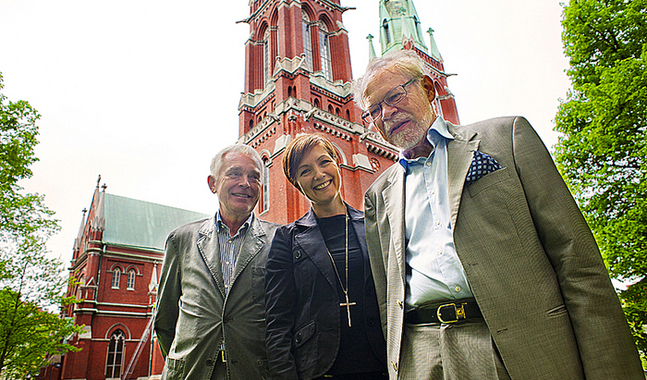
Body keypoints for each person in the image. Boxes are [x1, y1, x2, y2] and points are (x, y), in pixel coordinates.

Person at [352, 49, 644, 379]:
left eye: (394, 96)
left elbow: (576, 260)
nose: (387, 113)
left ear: (429, 89)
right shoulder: (379, 193)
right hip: (422, 352)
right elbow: (387, 294)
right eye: (374, 110)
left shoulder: (506, 137)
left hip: (513, 342)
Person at [264, 134, 387, 380]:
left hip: (381, 367)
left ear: (336, 163)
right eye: (305, 170)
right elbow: (277, 324)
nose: (319, 174)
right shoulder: (287, 239)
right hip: (319, 371)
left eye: (324, 162)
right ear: (297, 183)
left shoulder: (374, 226)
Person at [155, 144, 279, 380]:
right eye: (234, 173)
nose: (245, 182)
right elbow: (164, 321)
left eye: (254, 177)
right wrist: (185, 360)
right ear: (213, 183)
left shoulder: (280, 239)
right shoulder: (181, 240)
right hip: (192, 372)